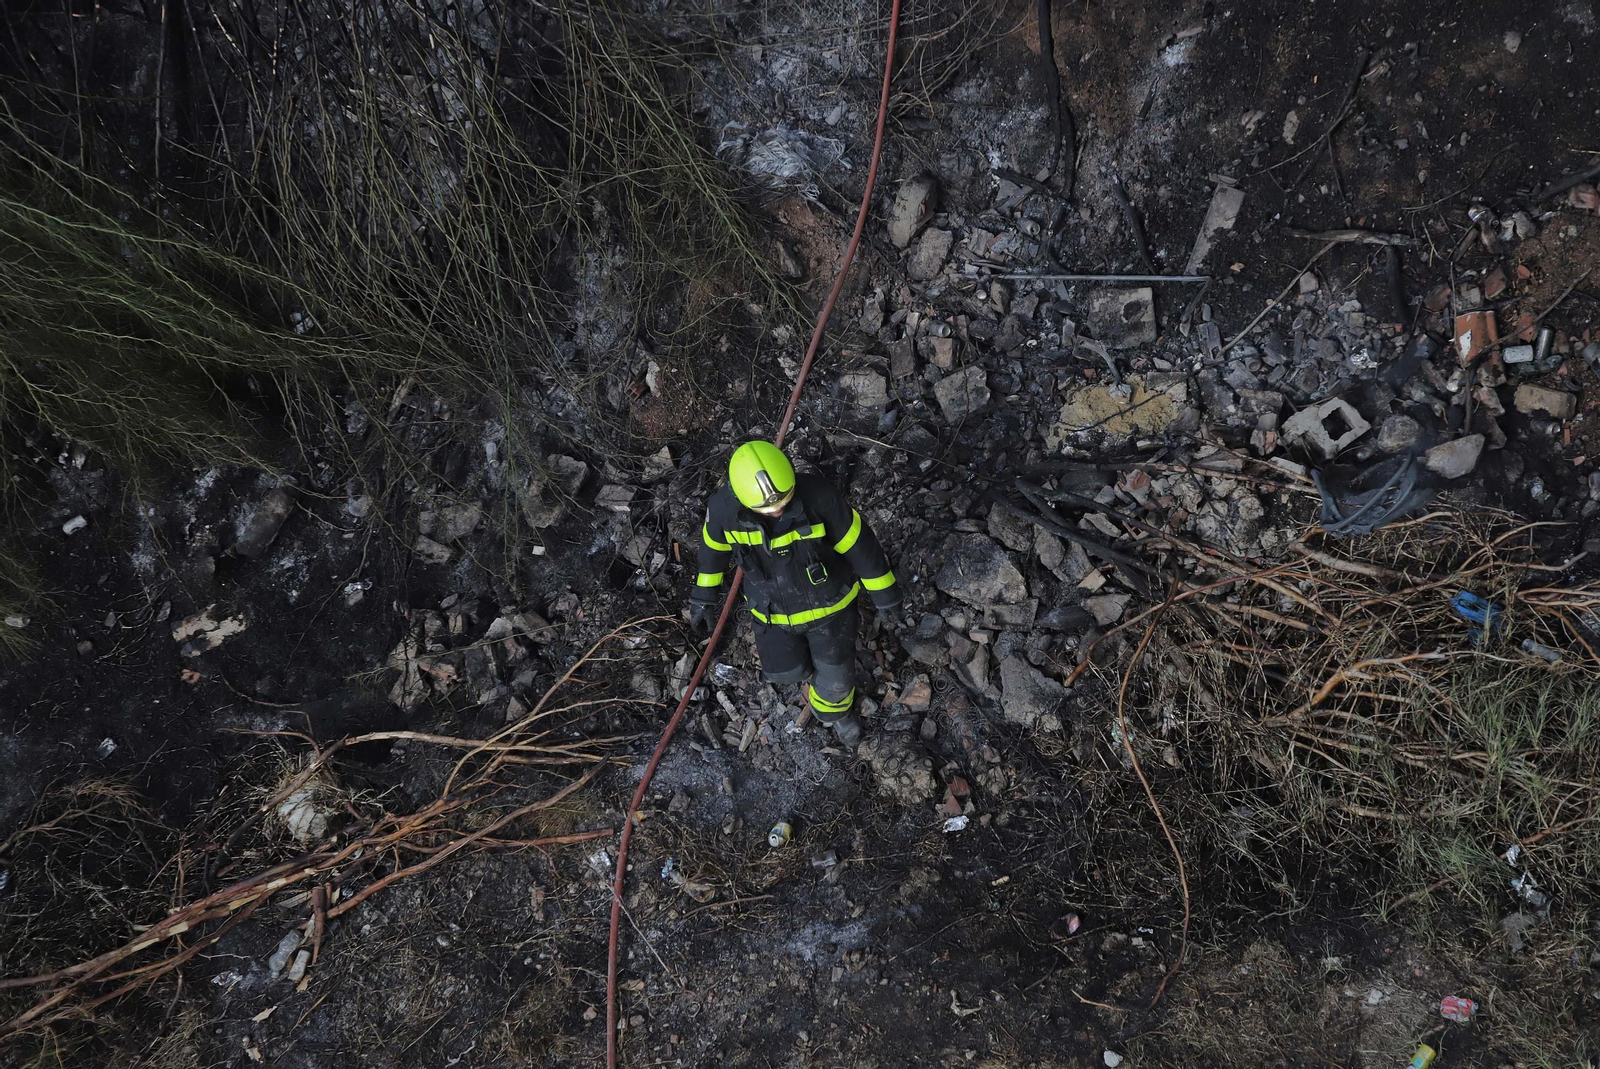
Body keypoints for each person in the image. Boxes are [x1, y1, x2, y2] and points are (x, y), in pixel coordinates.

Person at [689, 440, 900, 747]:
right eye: (767, 508)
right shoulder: (723, 511)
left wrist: (886, 594)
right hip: (770, 613)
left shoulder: (819, 497)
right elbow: (712, 554)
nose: (777, 509)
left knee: (837, 680)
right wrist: (703, 598)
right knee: (786, 672)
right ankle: (807, 679)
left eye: (784, 500)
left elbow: (860, 545)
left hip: (830, 609)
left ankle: (834, 714)